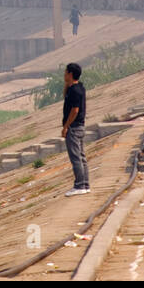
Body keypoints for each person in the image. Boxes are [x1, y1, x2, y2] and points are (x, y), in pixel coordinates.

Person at [61, 62, 89, 196]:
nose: (64, 74)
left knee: (76, 158)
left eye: (66, 72)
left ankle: (79, 185)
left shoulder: (75, 91)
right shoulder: (78, 88)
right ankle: (85, 184)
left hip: (74, 128)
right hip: (80, 126)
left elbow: (75, 110)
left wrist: (66, 126)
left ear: (70, 74)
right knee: (81, 157)